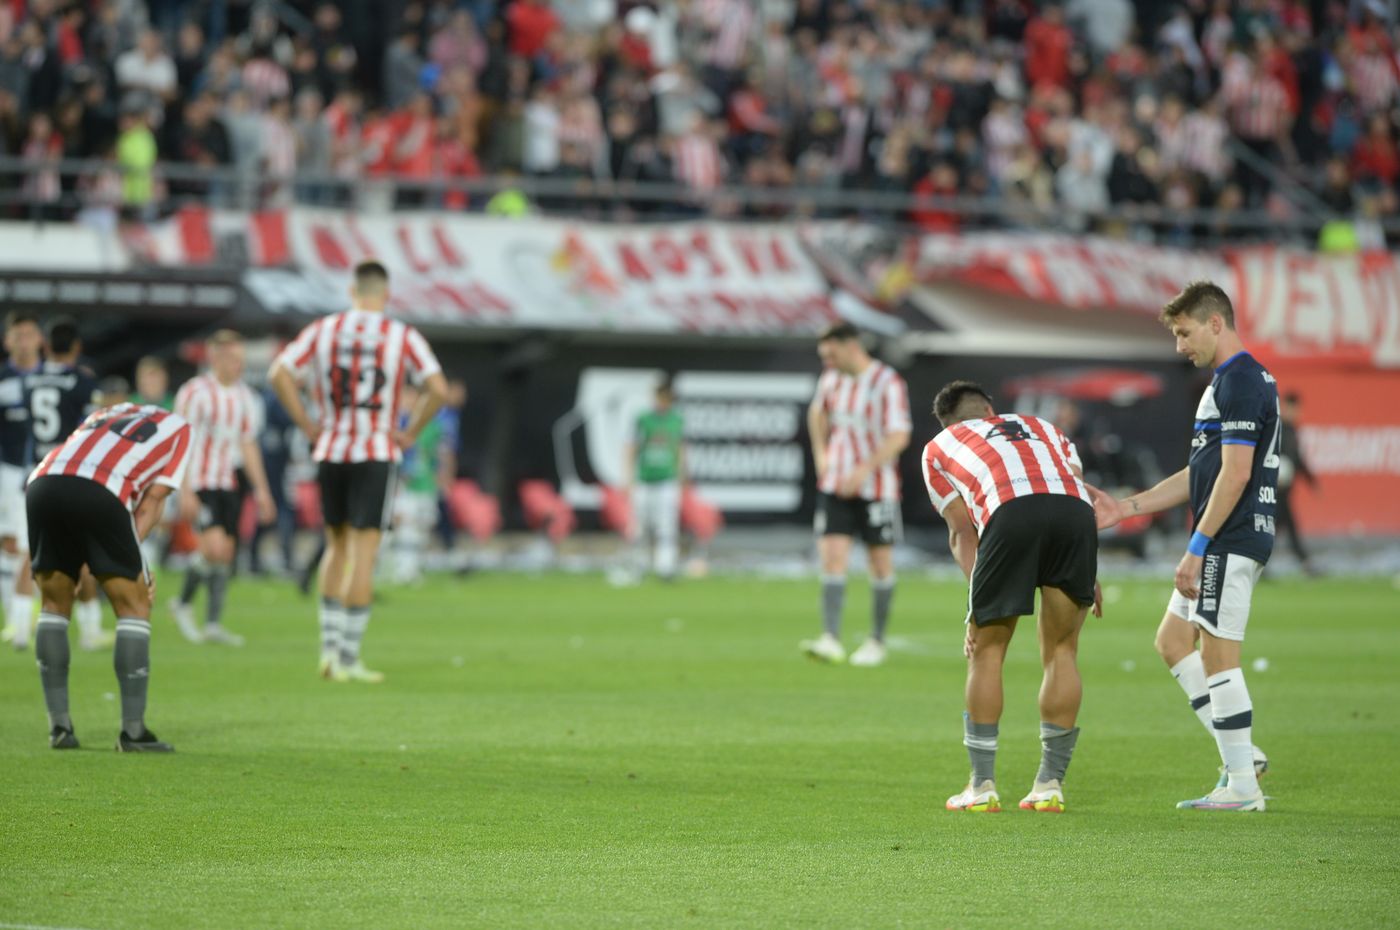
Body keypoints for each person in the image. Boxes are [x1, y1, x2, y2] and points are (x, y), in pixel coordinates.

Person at [1094, 281, 1278, 813]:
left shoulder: (1242, 380)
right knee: (1173, 641)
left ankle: (1243, 785)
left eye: (1184, 332)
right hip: (1224, 535)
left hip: (1230, 537)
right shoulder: (1226, 382)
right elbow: (1203, 472)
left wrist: (1197, 546)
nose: (1179, 346)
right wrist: (1127, 507)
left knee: (1219, 656)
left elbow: (1237, 474)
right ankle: (1241, 753)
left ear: (1215, 323)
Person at [924, 381, 1102, 814]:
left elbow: (962, 531)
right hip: (1076, 517)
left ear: (950, 423)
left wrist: (976, 601)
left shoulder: (939, 446)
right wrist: (1088, 570)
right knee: (1062, 650)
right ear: (990, 409)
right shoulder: (1043, 426)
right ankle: (1049, 785)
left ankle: (981, 785)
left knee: (986, 652)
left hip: (1009, 512)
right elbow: (1073, 490)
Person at [270, 259, 447, 683]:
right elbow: (437, 389)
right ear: (385, 296)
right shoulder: (400, 335)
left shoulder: (324, 329)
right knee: (364, 555)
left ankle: (328, 652)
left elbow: (280, 373)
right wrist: (411, 431)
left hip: (331, 447)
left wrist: (308, 423)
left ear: (352, 292)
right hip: (375, 450)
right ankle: (350, 659)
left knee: (335, 545)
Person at [28, 400, 192, 751]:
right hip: (100, 488)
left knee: (54, 602)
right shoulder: (179, 426)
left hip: (42, 481)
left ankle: (59, 728)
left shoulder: (105, 412)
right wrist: (138, 567)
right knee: (135, 605)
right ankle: (132, 733)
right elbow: (150, 502)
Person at [801, 323, 911, 667]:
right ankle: (830, 637)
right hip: (835, 485)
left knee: (879, 563)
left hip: (877, 489)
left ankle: (876, 640)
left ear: (852, 347)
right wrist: (822, 455)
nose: (827, 360)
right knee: (832, 557)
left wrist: (865, 468)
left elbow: (899, 435)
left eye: (831, 353)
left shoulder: (886, 382)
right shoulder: (831, 378)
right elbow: (817, 412)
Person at [169, 331, 276, 646]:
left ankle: (213, 623)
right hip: (200, 481)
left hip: (230, 482)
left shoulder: (248, 398)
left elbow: (249, 445)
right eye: (230, 358)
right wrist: (184, 489)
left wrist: (263, 491)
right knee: (213, 547)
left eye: (240, 358)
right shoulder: (194, 392)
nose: (237, 364)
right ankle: (184, 603)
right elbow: (181, 441)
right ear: (213, 358)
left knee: (225, 554)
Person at [28, 317, 108, 651]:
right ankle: (90, 630)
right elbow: (94, 430)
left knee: (39, 554)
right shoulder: (82, 383)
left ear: (46, 346)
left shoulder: (27, 381)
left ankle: (35, 625)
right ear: (77, 347)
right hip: (72, 473)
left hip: (33, 473)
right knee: (83, 552)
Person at [0, 312, 43, 650]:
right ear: (7, 341)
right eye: (18, 335)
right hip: (9, 470)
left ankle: (21, 621)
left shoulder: (54, 378)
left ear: (40, 338)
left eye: (29, 333)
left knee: (31, 547)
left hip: (46, 472)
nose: (24, 340)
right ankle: (18, 619)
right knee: (13, 545)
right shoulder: (3, 380)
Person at [623, 378, 686, 581]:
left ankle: (666, 567)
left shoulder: (677, 420)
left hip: (667, 480)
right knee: (640, 525)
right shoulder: (643, 419)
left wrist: (682, 475)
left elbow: (680, 448)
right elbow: (631, 447)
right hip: (645, 479)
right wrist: (628, 477)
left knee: (667, 524)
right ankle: (638, 565)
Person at [1275, 392, 1317, 574]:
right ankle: (1305, 563)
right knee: (1285, 527)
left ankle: (1305, 563)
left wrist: (1310, 480)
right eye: (1292, 408)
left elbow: (1297, 459)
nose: (1295, 412)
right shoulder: (1278, 429)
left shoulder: (1292, 430)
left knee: (1279, 528)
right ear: (1285, 407)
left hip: (1285, 489)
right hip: (1276, 489)